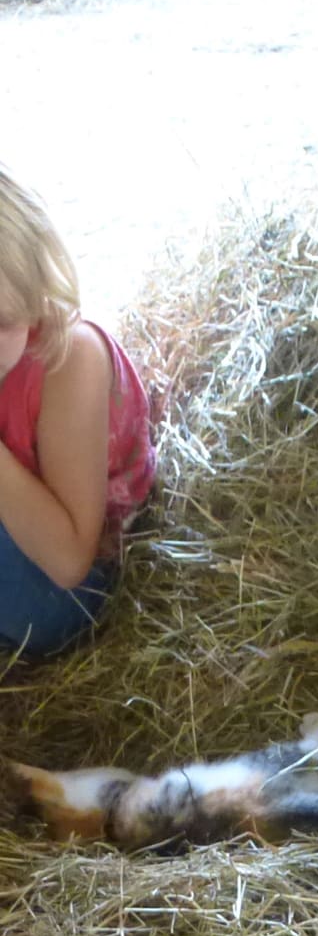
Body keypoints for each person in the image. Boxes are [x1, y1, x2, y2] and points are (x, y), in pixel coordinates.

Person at [0, 167, 155, 657]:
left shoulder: (70, 359)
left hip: (74, 581)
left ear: (34, 296)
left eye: (0, 323)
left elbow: (70, 562)